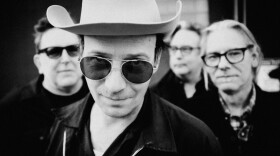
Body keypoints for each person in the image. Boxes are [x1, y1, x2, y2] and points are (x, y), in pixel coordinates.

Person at [44, 0, 223, 155]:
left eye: (135, 65)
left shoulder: (194, 141)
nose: (115, 86)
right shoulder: (62, 125)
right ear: (80, 54)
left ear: (156, 58)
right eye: (97, 63)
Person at [0, 16, 89, 156]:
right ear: (38, 63)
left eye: (73, 49)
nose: (65, 59)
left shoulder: (102, 99)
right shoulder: (12, 109)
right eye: (53, 51)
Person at [199, 19, 280, 156]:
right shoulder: (191, 117)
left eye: (234, 53)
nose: (223, 64)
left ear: (254, 57)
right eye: (213, 56)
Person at [150, 21, 208, 114]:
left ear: (202, 52)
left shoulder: (217, 90)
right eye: (174, 49)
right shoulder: (154, 95)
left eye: (185, 49)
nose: (178, 55)